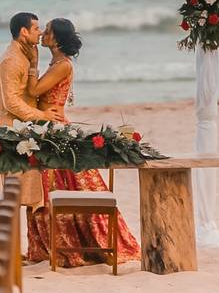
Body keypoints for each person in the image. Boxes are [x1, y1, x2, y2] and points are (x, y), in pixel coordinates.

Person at [23, 17, 141, 267]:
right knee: (47, 185)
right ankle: (51, 245)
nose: (43, 33)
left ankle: (75, 244)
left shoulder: (63, 65)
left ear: (57, 39)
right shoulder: (55, 61)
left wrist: (32, 64)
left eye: (48, 31)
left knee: (64, 183)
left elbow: (34, 92)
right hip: (45, 125)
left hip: (53, 128)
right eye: (42, 29)